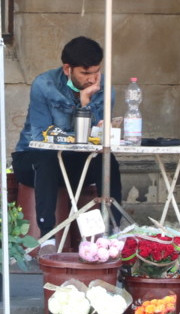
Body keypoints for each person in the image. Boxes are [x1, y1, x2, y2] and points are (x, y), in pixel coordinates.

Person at [12, 36, 124, 253]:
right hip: (32, 158)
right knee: (48, 158)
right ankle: (47, 238)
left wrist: (90, 110)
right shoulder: (44, 85)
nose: (93, 79)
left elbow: (95, 139)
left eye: (96, 72)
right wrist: (81, 110)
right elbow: (40, 136)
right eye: (85, 73)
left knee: (108, 160)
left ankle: (112, 231)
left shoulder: (105, 90)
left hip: (77, 161)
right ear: (67, 69)